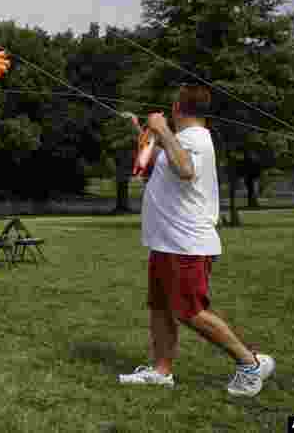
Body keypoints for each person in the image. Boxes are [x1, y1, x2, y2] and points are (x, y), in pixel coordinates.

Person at [118, 86, 275, 397]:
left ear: (177, 107)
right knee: (161, 307)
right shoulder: (182, 141)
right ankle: (161, 371)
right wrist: (141, 130)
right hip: (166, 242)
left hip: (186, 244)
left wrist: (161, 129)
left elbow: (186, 170)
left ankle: (250, 363)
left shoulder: (198, 140)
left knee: (190, 311)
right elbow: (156, 164)